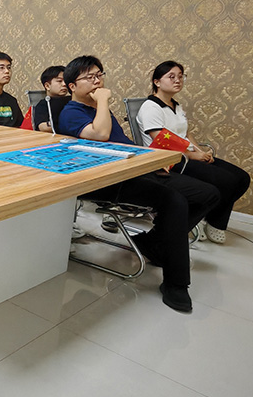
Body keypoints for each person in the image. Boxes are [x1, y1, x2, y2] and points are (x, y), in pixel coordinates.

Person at [57, 55, 220, 313]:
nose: (97, 81)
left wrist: (151, 160)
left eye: (99, 75)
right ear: (72, 86)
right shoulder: (70, 112)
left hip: (135, 170)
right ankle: (176, 283)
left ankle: (154, 242)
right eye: (89, 77)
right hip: (107, 180)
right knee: (174, 201)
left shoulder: (100, 109)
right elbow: (100, 135)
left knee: (209, 194)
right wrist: (102, 100)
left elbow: (122, 142)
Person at [137, 61, 251, 244]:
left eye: (180, 76)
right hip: (169, 160)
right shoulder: (151, 107)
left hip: (187, 154)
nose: (177, 80)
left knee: (241, 178)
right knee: (226, 181)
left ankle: (211, 219)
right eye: (171, 77)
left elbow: (186, 133)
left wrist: (200, 151)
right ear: (157, 82)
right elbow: (162, 139)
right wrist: (192, 155)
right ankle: (211, 221)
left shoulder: (176, 105)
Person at [31, 65, 70, 133]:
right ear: (47, 86)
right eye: (59, 81)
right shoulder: (43, 104)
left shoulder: (72, 100)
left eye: (66, 81)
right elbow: (42, 127)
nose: (64, 84)